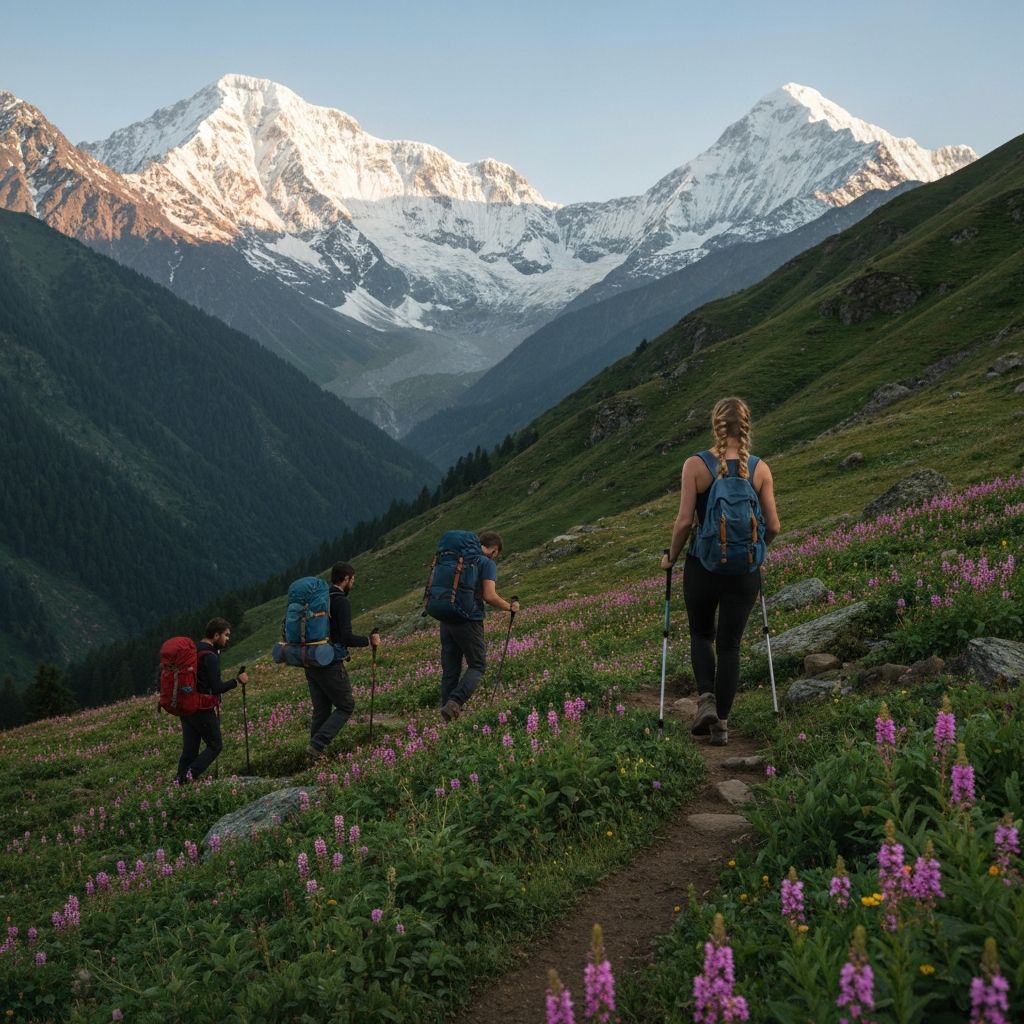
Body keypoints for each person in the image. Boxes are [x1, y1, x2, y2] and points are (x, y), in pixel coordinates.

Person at [660, 397, 780, 746]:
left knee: (701, 635)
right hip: (744, 571)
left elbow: (684, 522)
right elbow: (773, 525)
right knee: (731, 646)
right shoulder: (759, 468)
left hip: (702, 565)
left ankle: (706, 699)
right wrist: (756, 552)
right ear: (746, 426)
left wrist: (671, 556)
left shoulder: (696, 465)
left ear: (715, 425)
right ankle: (721, 726)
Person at [440, 530, 520, 722]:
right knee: (477, 665)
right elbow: (489, 595)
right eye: (496, 555)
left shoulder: (458, 558)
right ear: (493, 550)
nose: (495, 558)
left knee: (450, 670)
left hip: (446, 618)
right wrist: (510, 607)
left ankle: (447, 717)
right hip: (468, 620)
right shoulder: (485, 563)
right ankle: (454, 703)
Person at [306, 561, 380, 759]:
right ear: (346, 579)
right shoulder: (340, 602)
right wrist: (368, 640)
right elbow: (346, 637)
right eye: (352, 580)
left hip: (309, 661)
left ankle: (314, 753)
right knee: (346, 705)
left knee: (321, 711)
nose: (353, 584)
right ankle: (318, 744)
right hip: (329, 662)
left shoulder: (319, 599)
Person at [175, 617, 248, 784]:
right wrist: (237, 681)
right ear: (216, 635)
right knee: (215, 745)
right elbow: (216, 688)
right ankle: (187, 778)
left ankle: (178, 785)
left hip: (185, 707)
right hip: (201, 708)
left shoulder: (192, 650)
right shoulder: (210, 656)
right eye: (226, 635)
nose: (228, 639)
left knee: (189, 751)